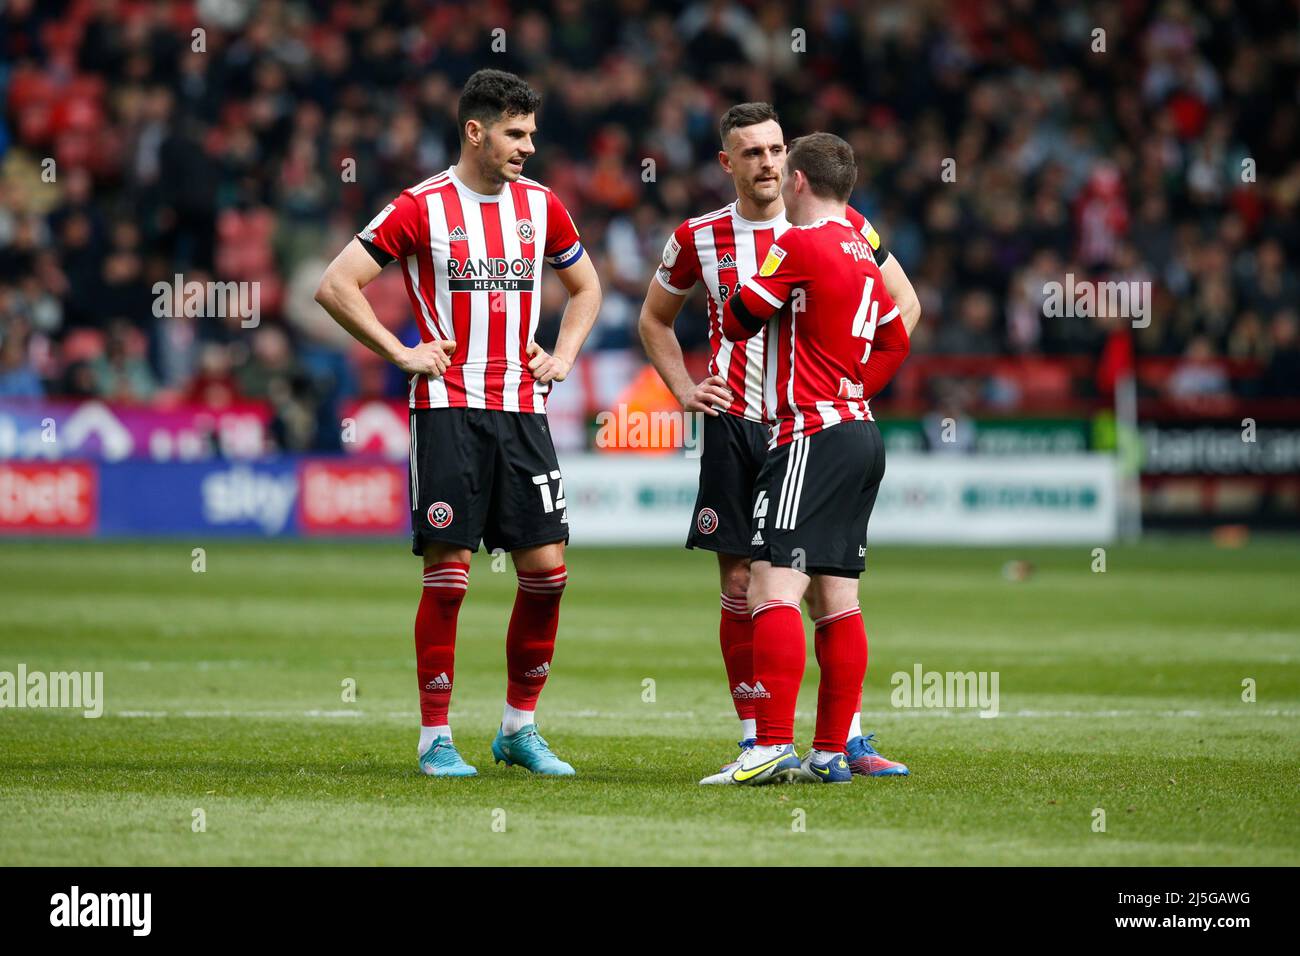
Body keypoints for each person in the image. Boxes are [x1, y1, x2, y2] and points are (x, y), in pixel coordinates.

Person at [314, 69, 602, 778]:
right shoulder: (422, 206)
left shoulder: (541, 206)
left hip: (523, 412)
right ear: (475, 131)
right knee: (450, 574)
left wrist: (563, 354)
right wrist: (401, 352)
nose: (528, 147)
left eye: (531, 133)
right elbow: (335, 284)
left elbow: (587, 286)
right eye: (515, 133)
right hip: (448, 411)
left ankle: (518, 729)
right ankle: (435, 738)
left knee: (548, 573)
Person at [638, 104, 917, 782]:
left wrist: (856, 386)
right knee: (743, 584)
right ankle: (755, 736)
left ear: (791, 161)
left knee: (820, 588)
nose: (766, 161)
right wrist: (681, 388)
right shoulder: (700, 236)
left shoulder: (845, 226)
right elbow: (654, 317)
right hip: (738, 424)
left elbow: (904, 306)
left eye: (774, 148)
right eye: (751, 152)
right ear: (727, 163)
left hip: (810, 428)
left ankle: (840, 740)